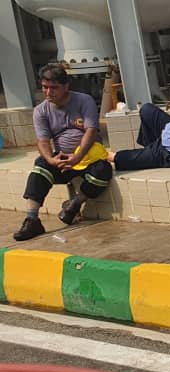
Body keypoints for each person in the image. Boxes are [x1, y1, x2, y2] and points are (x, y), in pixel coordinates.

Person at [14, 64, 112, 241]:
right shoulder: (40, 110)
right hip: (62, 159)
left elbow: (91, 131)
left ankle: (74, 204)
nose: (48, 92)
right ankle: (32, 219)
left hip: (87, 158)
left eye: (54, 88)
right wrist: (51, 159)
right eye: (45, 87)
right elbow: (42, 141)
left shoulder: (84, 100)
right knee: (40, 166)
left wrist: (77, 157)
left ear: (66, 86)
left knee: (103, 171)